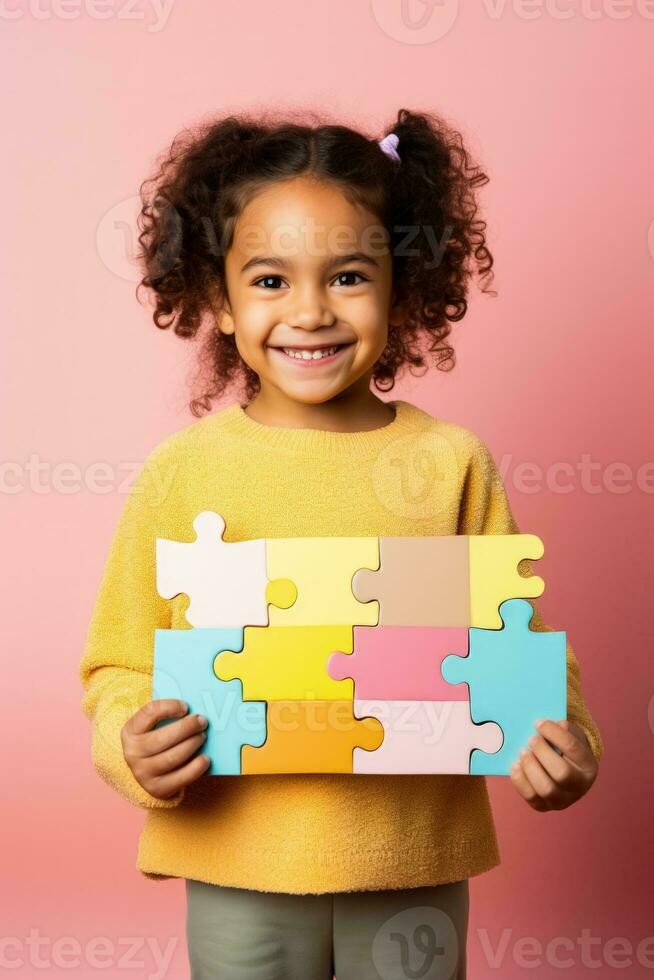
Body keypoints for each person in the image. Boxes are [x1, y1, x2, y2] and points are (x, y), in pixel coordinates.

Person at [79, 108, 602, 979]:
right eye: (271, 280)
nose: (312, 311)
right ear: (218, 295)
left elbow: (516, 647)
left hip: (411, 861)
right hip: (235, 859)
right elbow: (121, 663)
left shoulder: (448, 464)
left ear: (406, 283)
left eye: (350, 274)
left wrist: (566, 737)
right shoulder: (185, 473)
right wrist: (131, 746)